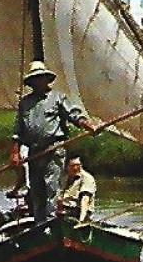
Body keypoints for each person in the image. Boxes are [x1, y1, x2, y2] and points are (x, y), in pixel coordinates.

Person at [11, 61, 95, 223]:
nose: (38, 82)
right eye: (35, 79)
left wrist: (87, 125)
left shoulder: (58, 97)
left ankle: (50, 224)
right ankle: (39, 224)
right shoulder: (25, 103)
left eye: (40, 78)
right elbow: (17, 132)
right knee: (36, 190)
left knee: (51, 187)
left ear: (46, 80)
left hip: (54, 149)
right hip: (34, 153)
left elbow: (74, 114)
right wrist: (15, 152)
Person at [57, 154, 97, 223]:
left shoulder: (87, 178)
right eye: (72, 166)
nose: (75, 168)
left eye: (78, 165)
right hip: (65, 215)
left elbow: (85, 200)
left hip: (79, 215)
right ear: (67, 167)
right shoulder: (65, 178)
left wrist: (81, 221)